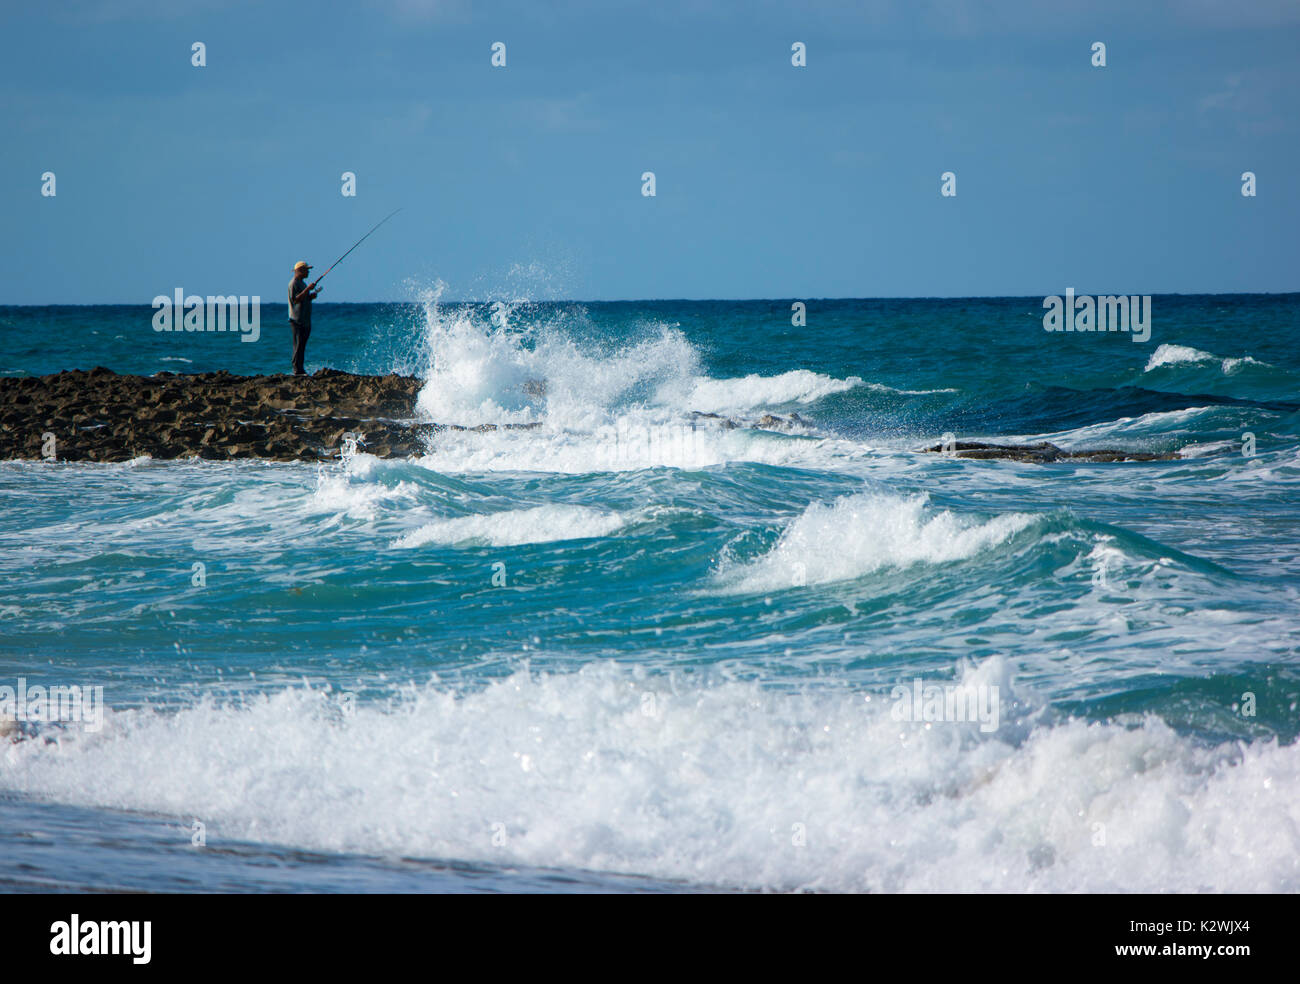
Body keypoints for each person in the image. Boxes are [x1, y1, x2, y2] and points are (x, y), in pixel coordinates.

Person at [287, 261, 322, 375]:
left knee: (302, 346)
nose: (308, 272)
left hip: (305, 320)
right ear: (300, 271)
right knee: (297, 346)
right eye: (306, 270)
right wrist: (308, 290)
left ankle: (300, 369)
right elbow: (295, 300)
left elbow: (303, 299)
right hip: (297, 320)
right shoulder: (293, 283)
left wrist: (311, 296)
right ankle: (297, 370)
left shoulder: (302, 283)